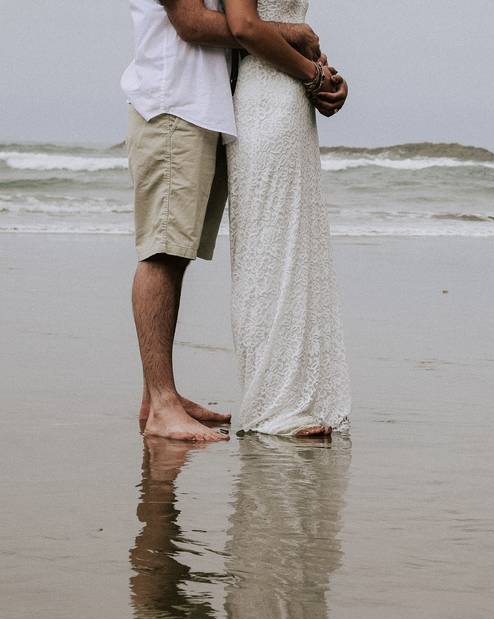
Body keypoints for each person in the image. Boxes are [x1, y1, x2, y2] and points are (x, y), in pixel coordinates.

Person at [122, 0, 346, 442]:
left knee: (176, 253)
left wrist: (307, 60)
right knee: (162, 252)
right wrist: (293, 37)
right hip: (172, 105)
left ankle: (158, 395)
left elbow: (242, 27)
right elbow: (191, 24)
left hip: (205, 110)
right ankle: (163, 405)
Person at [223, 0, 352, 438]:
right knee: (267, 248)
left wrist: (328, 78)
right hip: (264, 101)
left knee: (297, 250)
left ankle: (302, 394)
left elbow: (292, 27)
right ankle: (272, 403)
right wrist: (310, 72)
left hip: (294, 101)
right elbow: (245, 28)